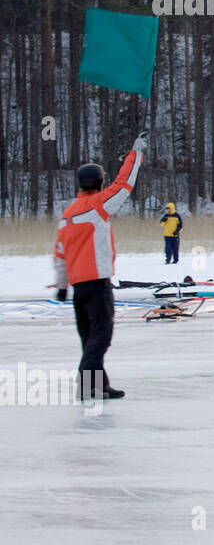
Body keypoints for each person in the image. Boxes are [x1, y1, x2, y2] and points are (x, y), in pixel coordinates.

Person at [53, 134, 147, 400]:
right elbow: (124, 185)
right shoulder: (98, 207)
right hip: (96, 283)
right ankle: (86, 383)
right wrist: (135, 153)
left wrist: (62, 287)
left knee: (89, 337)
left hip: (78, 288)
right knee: (101, 336)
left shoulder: (67, 214)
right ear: (99, 182)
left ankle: (98, 385)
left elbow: (59, 253)